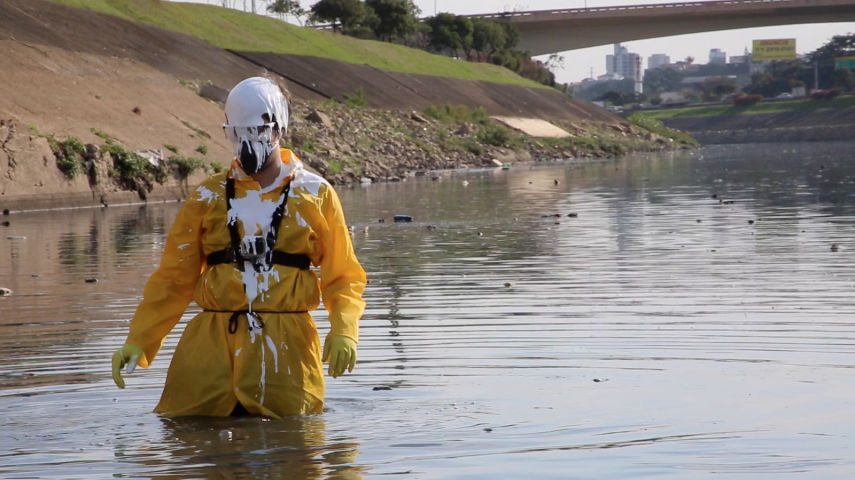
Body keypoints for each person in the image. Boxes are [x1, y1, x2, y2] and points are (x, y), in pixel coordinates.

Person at [111, 76, 366, 418]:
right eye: (238, 133)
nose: (248, 143)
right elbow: (173, 280)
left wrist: (344, 331)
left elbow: (343, 276)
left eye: (257, 132)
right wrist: (138, 340)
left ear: (278, 129)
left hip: (285, 357)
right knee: (189, 446)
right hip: (207, 359)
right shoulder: (206, 197)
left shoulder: (316, 195)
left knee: (292, 455)